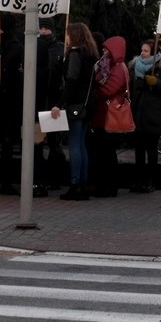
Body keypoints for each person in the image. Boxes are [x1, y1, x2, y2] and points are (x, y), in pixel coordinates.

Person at [51, 22, 99, 201]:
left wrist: (59, 103)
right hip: (88, 104)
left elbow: (71, 81)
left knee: (74, 144)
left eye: (68, 34)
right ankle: (83, 184)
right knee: (81, 144)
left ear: (74, 35)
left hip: (76, 105)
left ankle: (75, 183)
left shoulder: (75, 54)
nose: (66, 37)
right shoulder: (90, 54)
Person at [129, 38, 161, 193]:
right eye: (142, 50)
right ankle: (138, 180)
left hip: (153, 114)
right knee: (139, 150)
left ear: (153, 53)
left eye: (146, 51)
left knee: (152, 150)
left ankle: (151, 181)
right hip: (138, 112)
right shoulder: (135, 67)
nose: (142, 53)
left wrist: (156, 83)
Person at [88, 36, 129, 198]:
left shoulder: (118, 68)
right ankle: (104, 185)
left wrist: (93, 93)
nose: (103, 51)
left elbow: (109, 89)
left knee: (107, 153)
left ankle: (108, 187)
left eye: (107, 49)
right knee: (104, 152)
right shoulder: (107, 65)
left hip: (108, 115)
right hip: (103, 115)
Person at [0, 13, 23, 195]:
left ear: (2, 28)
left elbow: (11, 72)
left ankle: (6, 181)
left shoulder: (14, 46)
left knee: (7, 141)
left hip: (8, 101)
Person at [34, 17, 66, 195]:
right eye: (41, 28)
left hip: (53, 101)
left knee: (54, 142)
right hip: (40, 100)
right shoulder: (36, 46)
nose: (43, 31)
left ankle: (55, 177)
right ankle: (42, 179)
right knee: (38, 141)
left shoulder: (59, 48)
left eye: (46, 28)